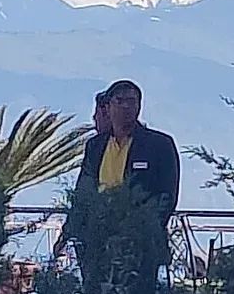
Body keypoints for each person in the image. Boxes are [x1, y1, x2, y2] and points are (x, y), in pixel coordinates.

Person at [76, 79, 181, 218]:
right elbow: (83, 191)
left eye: (131, 101)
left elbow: (167, 195)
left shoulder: (159, 145)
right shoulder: (95, 146)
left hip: (140, 231)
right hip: (99, 230)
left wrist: (148, 225)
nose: (126, 106)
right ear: (108, 107)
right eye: (119, 101)